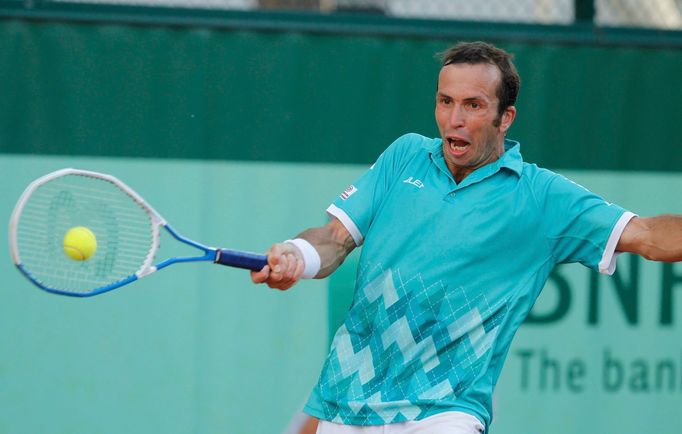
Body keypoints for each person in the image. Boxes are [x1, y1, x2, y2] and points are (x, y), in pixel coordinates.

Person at [252, 41, 682, 434]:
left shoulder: (540, 197)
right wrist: (298, 254)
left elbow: (647, 235)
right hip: (348, 405)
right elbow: (334, 239)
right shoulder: (405, 156)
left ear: (504, 118)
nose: (454, 120)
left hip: (447, 412)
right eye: (445, 102)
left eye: (473, 105)